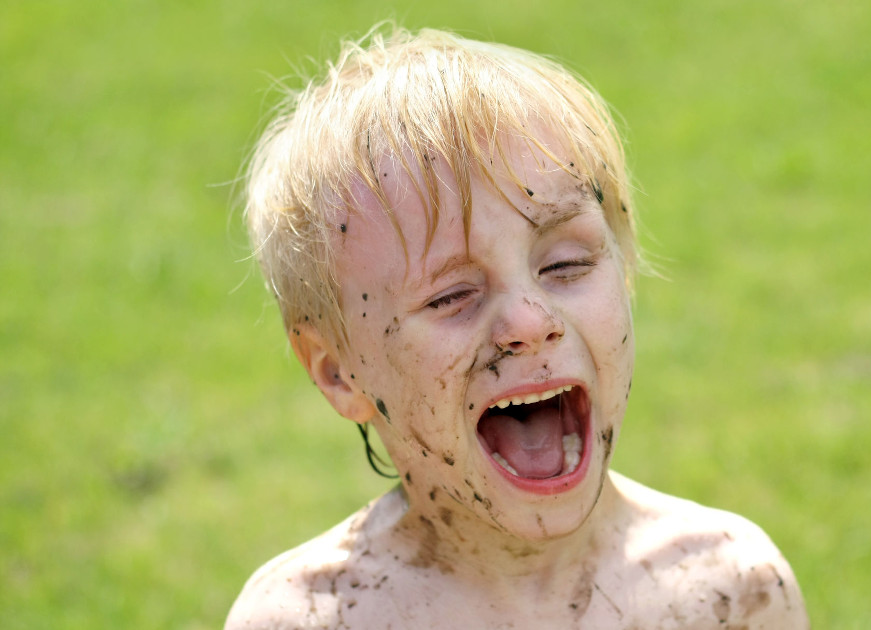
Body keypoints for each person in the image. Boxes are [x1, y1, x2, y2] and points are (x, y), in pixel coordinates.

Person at [226, 25, 808, 629]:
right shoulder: (312, 618)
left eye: (566, 265)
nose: (531, 323)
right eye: (452, 295)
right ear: (339, 371)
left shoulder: (727, 591)